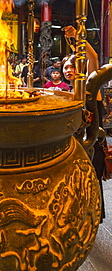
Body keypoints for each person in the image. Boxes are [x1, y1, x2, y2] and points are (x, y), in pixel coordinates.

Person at [63, 25, 106, 222]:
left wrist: (79, 37)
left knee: (91, 182)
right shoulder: (67, 93)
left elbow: (94, 58)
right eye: (66, 67)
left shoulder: (90, 88)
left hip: (91, 145)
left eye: (72, 67)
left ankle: (93, 218)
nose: (68, 71)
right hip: (73, 147)